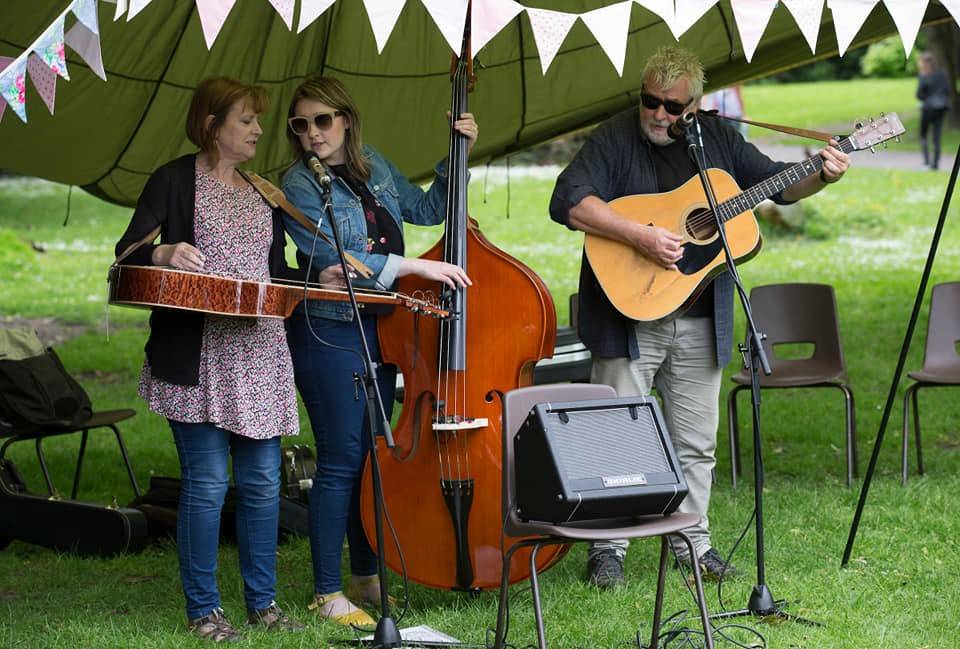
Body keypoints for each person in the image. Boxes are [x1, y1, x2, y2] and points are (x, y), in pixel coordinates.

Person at [549, 46, 850, 589]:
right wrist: (639, 234)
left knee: (696, 442)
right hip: (627, 312)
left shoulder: (718, 140)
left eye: (672, 106)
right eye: (650, 102)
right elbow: (569, 200)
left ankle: (692, 542)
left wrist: (822, 175)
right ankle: (607, 550)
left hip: (697, 315)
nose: (659, 114)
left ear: (695, 105)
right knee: (614, 433)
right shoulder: (616, 136)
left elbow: (778, 184)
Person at [280, 76, 476, 624]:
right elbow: (334, 264)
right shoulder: (298, 185)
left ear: (346, 120)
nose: (313, 134)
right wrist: (415, 267)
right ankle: (325, 592)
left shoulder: (377, 167)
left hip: (382, 331)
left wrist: (457, 153)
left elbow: (432, 208)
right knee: (341, 460)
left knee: (370, 459)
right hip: (330, 331)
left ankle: (365, 575)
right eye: (302, 125)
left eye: (323, 121)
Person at [114, 77, 304, 641]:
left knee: (265, 481)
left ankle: (263, 605)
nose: (257, 130)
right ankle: (204, 611)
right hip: (196, 353)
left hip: (260, 352)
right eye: (245, 119)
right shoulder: (173, 181)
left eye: (256, 120)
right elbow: (124, 259)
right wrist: (163, 251)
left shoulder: (262, 190)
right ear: (211, 125)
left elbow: (275, 268)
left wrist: (316, 277)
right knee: (206, 482)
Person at [917, 52, 951, 170]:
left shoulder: (924, 75)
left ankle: (926, 162)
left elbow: (919, 95)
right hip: (940, 108)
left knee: (923, 135)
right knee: (936, 137)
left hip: (928, 108)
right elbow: (947, 90)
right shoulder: (942, 74)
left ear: (924, 63)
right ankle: (935, 165)